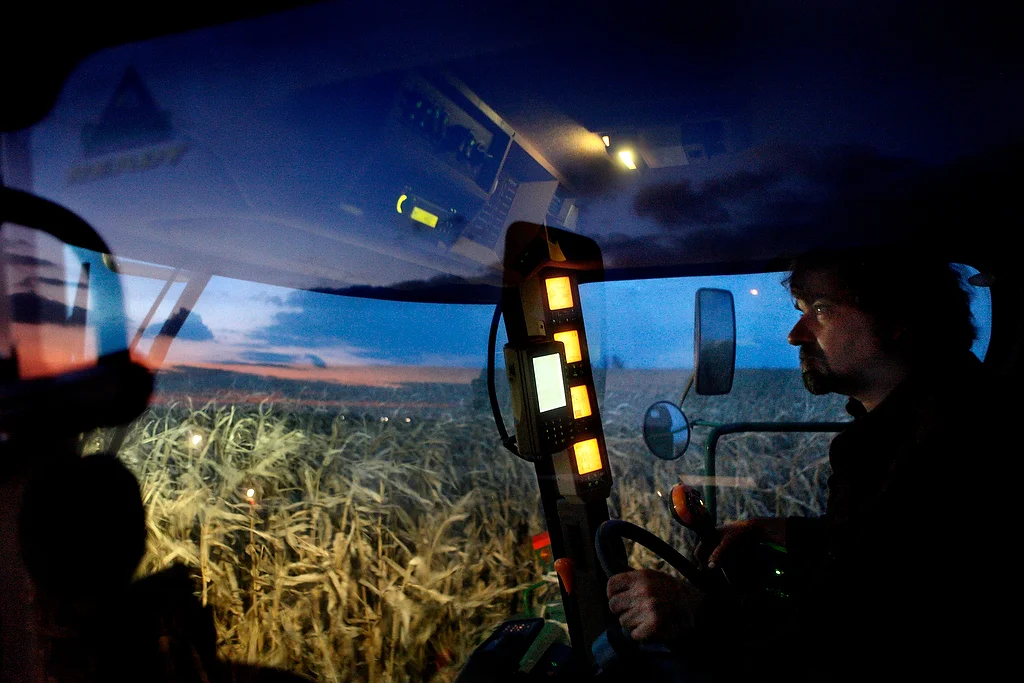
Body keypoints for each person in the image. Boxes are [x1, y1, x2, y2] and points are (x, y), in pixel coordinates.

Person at [606, 243, 1011, 682]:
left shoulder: (953, 443)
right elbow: (870, 551)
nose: (795, 334)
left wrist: (696, 614)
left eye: (821, 310)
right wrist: (774, 532)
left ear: (899, 317)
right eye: (802, 309)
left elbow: (862, 633)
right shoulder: (910, 424)